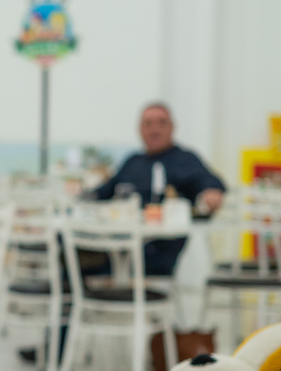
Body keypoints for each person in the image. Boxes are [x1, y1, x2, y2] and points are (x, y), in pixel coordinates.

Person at [91, 102, 226, 276]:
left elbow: (208, 181)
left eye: (162, 123)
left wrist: (211, 192)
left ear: (172, 127)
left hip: (157, 249)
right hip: (120, 242)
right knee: (68, 246)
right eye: (148, 124)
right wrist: (82, 195)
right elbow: (103, 192)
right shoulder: (133, 162)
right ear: (140, 129)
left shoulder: (185, 160)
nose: (155, 130)